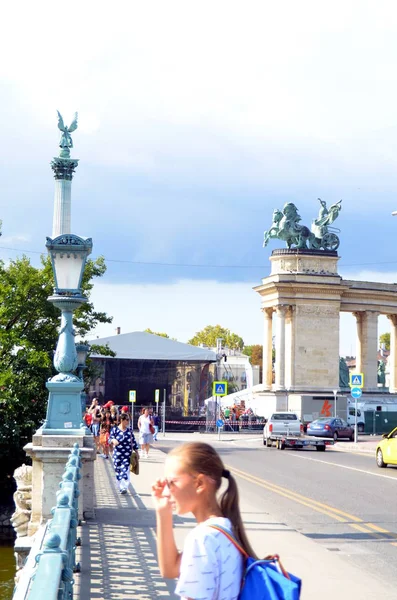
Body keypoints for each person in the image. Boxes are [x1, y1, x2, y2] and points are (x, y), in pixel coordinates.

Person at [152, 442, 256, 599]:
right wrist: (163, 513)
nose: (166, 491)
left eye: (171, 482)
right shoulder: (225, 528)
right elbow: (170, 569)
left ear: (199, 483)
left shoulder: (202, 539)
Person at [109, 413, 138, 494]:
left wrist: (137, 452)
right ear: (122, 420)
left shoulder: (129, 431)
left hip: (127, 455)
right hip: (117, 455)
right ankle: (120, 486)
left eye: (129, 420)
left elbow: (134, 442)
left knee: (124, 470)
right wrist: (113, 440)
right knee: (118, 470)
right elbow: (109, 439)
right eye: (127, 420)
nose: (128, 422)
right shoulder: (115, 430)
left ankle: (124, 487)